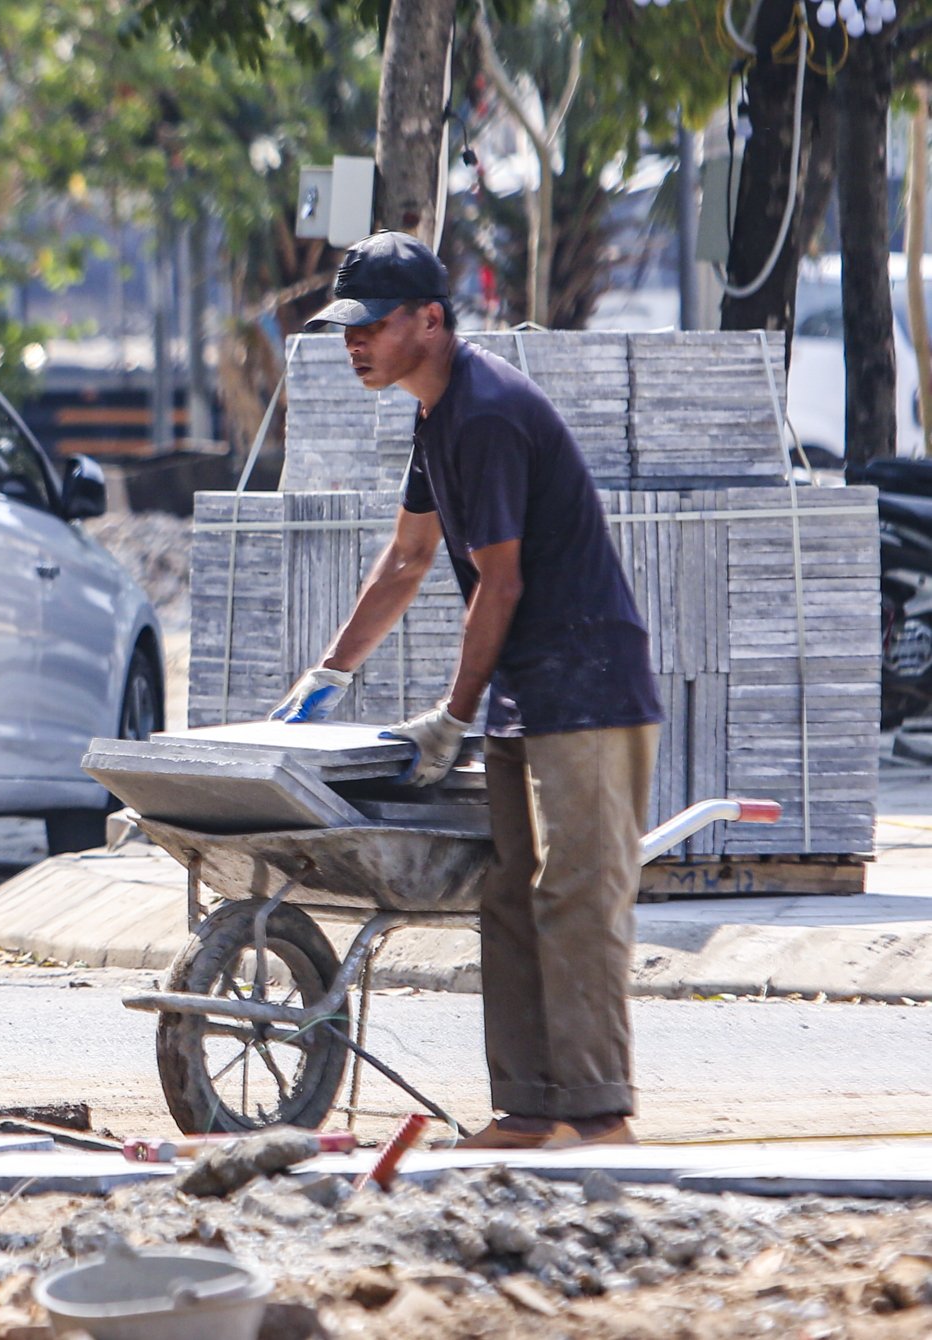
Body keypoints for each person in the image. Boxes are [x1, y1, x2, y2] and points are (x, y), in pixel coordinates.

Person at [271, 231, 664, 1150]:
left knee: (576, 892)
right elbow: (408, 558)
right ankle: (530, 1109)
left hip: (590, 685)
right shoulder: (436, 415)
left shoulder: (484, 414)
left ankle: (597, 1115)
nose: (353, 343)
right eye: (344, 329)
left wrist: (451, 716)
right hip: (532, 689)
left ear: (431, 320)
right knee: (508, 896)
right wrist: (328, 675)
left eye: (370, 325)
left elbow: (502, 583)